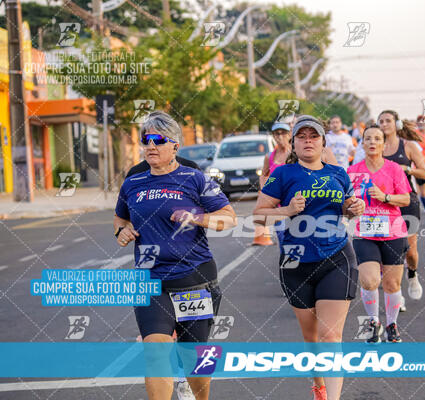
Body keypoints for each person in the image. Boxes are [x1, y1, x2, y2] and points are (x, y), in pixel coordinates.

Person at [114, 111, 237, 400]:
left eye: (159, 140)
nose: (151, 145)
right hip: (150, 280)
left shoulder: (193, 179)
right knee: (155, 351)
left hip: (193, 279)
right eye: (146, 139)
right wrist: (122, 232)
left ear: (175, 146)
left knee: (194, 359)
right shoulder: (133, 182)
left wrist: (198, 218)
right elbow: (120, 219)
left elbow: (229, 218)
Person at [253, 115, 365, 400]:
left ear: (322, 142)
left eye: (313, 136)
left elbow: (347, 208)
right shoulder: (283, 174)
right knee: (312, 338)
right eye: (301, 137)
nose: (307, 141)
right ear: (294, 143)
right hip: (295, 262)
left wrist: (354, 208)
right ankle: (318, 384)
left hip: (336, 257)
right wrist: (287, 210)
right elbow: (259, 215)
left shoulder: (338, 173)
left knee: (330, 337)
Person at [347, 125, 412, 343]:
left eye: (377, 138)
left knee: (392, 285)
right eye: (368, 139)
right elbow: (345, 204)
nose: (372, 142)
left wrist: (385, 197)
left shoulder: (394, 169)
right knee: (369, 280)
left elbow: (406, 199)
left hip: (393, 232)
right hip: (364, 233)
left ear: (384, 144)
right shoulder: (353, 171)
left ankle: (392, 324)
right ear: (362, 144)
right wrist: (349, 209)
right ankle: (374, 322)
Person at [379, 110, 425, 302]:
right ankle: (395, 293)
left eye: (388, 121)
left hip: (407, 200)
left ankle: (413, 274)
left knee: (409, 250)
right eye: (381, 121)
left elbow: (424, 173)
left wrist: (407, 169)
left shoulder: (408, 146)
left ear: (396, 124)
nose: (384, 124)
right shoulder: (377, 147)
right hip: (384, 203)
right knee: (389, 249)